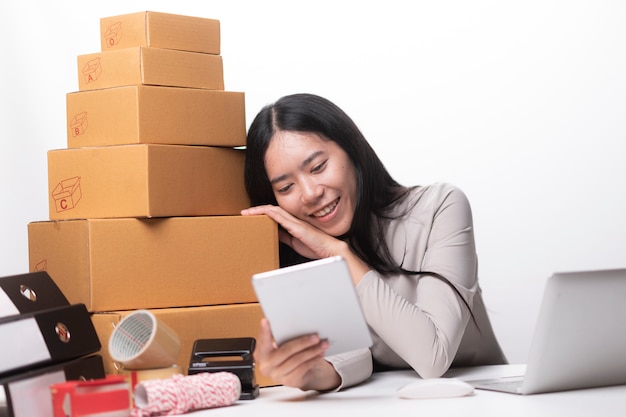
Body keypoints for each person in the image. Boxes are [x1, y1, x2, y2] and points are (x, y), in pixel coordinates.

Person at [241, 93, 507, 392]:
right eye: (286, 187)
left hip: (483, 398)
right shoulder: (304, 249)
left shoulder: (440, 206)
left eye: (317, 167)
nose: (310, 193)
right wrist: (307, 373)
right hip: (388, 403)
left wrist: (339, 254)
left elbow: (433, 357)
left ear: (352, 150)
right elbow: (355, 356)